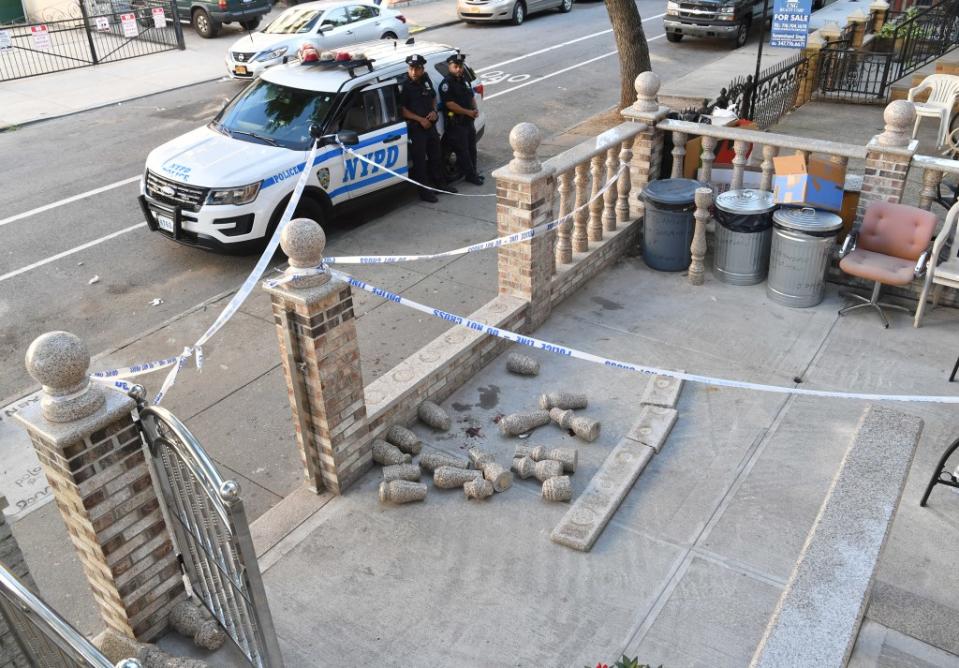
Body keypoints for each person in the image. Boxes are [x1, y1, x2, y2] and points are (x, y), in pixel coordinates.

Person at [399, 54, 456, 203]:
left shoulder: (425, 79)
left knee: (436, 157)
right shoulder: (405, 85)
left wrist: (433, 111)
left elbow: (432, 96)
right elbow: (402, 110)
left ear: (422, 69)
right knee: (420, 163)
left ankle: (441, 185)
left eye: (416, 69)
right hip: (416, 129)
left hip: (430, 126)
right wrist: (419, 120)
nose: (413, 72)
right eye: (411, 68)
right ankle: (425, 192)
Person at [440, 53, 483, 186]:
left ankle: (473, 173)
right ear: (450, 67)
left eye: (460, 66)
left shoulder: (464, 79)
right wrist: (468, 112)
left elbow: (470, 96)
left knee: (472, 149)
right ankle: (470, 176)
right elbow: (449, 104)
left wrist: (475, 109)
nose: (459, 69)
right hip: (457, 124)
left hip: (468, 121)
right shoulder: (446, 84)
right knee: (463, 152)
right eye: (456, 66)